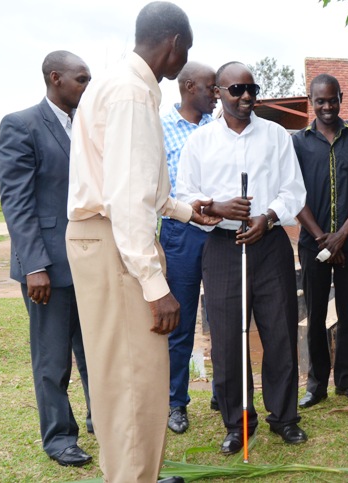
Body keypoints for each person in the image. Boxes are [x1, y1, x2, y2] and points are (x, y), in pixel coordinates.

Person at [65, 3, 218, 482]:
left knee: (120, 374)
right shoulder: (132, 93)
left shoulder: (121, 84)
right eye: (187, 50)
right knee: (135, 377)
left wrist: (187, 210)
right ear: (174, 44)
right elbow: (128, 200)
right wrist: (155, 286)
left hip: (104, 236)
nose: (185, 59)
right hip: (114, 241)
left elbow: (138, 187)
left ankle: (134, 473)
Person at [176, 61, 308, 455]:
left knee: (280, 332)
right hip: (221, 247)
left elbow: (293, 190)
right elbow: (184, 195)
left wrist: (268, 217)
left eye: (252, 89)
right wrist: (216, 206)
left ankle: (284, 417)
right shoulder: (199, 142)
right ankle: (238, 423)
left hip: (269, 244)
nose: (247, 96)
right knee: (228, 340)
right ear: (218, 93)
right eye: (237, 89)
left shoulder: (276, 135)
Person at [0, 50, 93, 468]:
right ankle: (59, 437)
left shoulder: (86, 126)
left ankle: (102, 419)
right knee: (53, 361)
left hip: (89, 262)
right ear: (56, 78)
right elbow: (17, 204)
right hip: (47, 268)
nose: (87, 86)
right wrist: (34, 266)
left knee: (95, 353)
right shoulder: (22, 125)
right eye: (81, 79)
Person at [293, 74, 348, 408]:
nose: (327, 106)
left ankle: (346, 381)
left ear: (341, 98)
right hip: (312, 243)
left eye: (332, 100)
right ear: (311, 102)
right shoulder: (298, 143)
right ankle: (316, 385)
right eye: (320, 101)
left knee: (347, 313)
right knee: (316, 315)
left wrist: (341, 236)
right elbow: (294, 195)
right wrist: (323, 239)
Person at [160, 61, 218, 435]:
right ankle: (175, 402)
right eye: (211, 88)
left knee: (225, 317)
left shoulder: (220, 128)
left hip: (219, 231)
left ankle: (224, 392)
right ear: (189, 86)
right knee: (179, 322)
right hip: (179, 232)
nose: (217, 95)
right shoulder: (159, 129)